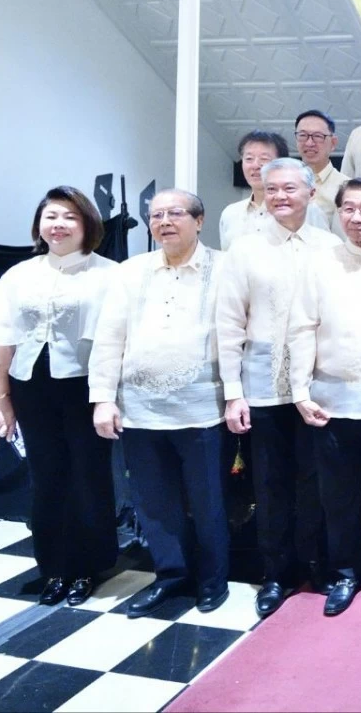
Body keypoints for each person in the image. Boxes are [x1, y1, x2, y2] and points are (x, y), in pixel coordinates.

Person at [89, 189, 229, 618]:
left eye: (175, 213)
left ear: (199, 220)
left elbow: (238, 337)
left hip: (203, 407)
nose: (164, 221)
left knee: (208, 501)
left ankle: (213, 579)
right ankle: (170, 575)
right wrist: (102, 400)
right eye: (156, 215)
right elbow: (109, 337)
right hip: (139, 409)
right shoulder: (130, 273)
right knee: (154, 501)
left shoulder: (224, 269)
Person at [0, 186, 118, 607]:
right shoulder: (19, 275)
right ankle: (53, 566)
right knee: (47, 477)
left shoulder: (108, 274)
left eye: (69, 217)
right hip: (31, 383)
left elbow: (114, 342)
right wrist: (0, 399)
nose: (58, 224)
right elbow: (1, 339)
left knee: (87, 476)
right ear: (40, 224)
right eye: (51, 216)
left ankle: (87, 566)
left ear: (87, 224)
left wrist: (107, 397)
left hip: (84, 385)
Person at [215, 159, 340, 618]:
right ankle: (275, 573)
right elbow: (228, 324)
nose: (281, 196)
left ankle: (317, 563)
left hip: (318, 386)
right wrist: (233, 391)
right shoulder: (244, 250)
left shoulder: (330, 246)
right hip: (262, 385)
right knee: (269, 483)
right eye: (272, 189)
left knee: (317, 481)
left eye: (290, 188)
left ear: (311, 192)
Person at [289, 177, 361, 617]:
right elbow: (301, 328)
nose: (358, 217)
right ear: (338, 214)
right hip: (329, 403)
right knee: (337, 499)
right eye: (349, 209)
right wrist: (300, 391)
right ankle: (345, 574)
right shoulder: (318, 264)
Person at [219, 130, 328, 249]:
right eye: (249, 159)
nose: (256, 166)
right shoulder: (230, 213)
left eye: (264, 159)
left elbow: (323, 253)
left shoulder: (306, 209)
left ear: (281, 164)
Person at [294, 110, 350, 229]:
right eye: (303, 135)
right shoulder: (284, 184)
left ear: (333, 143)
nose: (309, 143)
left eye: (318, 136)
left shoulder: (347, 187)